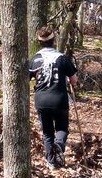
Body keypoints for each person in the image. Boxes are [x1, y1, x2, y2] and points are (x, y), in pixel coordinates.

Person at [29, 26, 78, 169]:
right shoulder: (62, 58)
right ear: (54, 41)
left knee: (47, 133)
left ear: (39, 42)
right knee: (62, 128)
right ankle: (59, 145)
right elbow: (74, 80)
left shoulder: (35, 59)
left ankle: (51, 162)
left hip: (41, 99)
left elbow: (27, 78)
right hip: (59, 98)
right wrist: (66, 79)